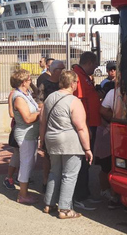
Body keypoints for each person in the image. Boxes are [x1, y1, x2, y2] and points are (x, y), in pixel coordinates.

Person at [39, 70, 92, 219]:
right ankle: (65, 209)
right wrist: (87, 148)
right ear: (73, 83)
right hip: (69, 141)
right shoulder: (74, 101)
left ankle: (49, 203)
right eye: (76, 82)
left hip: (52, 139)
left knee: (54, 171)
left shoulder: (50, 98)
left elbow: (42, 122)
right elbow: (81, 127)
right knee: (69, 175)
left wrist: (42, 141)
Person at [71, 52, 102, 211]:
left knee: (86, 162)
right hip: (87, 126)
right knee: (82, 161)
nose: (96, 67)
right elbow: (82, 104)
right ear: (89, 62)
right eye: (95, 64)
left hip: (91, 124)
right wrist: (85, 126)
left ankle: (84, 192)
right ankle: (78, 195)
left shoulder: (84, 76)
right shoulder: (78, 77)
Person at [10, 69, 42, 204]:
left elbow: (34, 107)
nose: (31, 81)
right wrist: (41, 113)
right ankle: (22, 195)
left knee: (30, 162)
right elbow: (28, 118)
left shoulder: (26, 93)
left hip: (31, 134)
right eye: (29, 79)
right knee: (26, 164)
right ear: (23, 82)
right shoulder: (18, 97)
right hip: (25, 134)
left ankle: (25, 192)